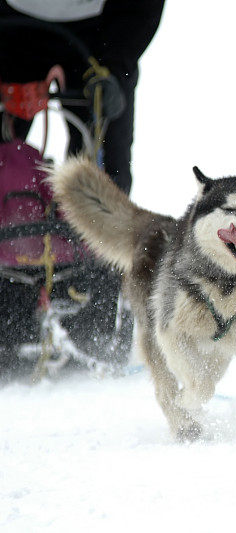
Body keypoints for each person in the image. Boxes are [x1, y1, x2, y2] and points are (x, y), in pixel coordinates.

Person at [0, 0, 164, 367]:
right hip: (11, 21)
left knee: (106, 176)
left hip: (103, 30)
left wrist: (118, 62)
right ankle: (11, 301)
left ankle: (95, 312)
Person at [0, 0, 164, 194]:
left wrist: (117, 71)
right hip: (11, 29)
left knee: (107, 181)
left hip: (99, 33)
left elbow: (143, 8)